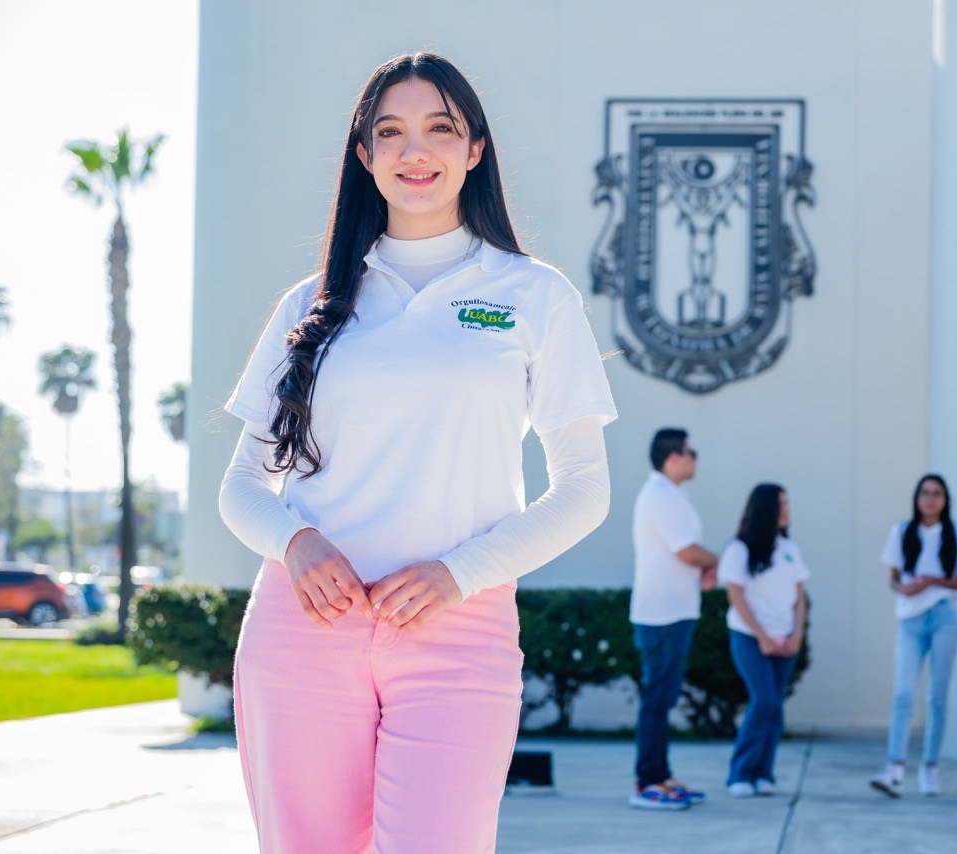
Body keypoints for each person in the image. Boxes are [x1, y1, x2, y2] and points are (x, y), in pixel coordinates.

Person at [218, 53, 617, 853]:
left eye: (441, 127)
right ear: (364, 157)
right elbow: (242, 486)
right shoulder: (312, 304)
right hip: (303, 633)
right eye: (390, 131)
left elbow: (583, 491)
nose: (415, 151)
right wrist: (296, 544)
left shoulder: (533, 295)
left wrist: (458, 573)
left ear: (475, 150)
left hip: (459, 635)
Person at [870, 474, 957, 798]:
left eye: (937, 494)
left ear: (946, 500)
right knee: (903, 693)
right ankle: (895, 767)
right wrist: (904, 588)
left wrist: (932, 581)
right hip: (909, 618)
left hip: (944, 616)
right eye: (925, 493)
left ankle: (930, 767)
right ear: (917, 498)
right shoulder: (901, 531)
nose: (930, 499)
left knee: (936, 694)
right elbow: (893, 576)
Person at [629, 428, 718, 810]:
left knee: (662, 700)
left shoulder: (672, 495)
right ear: (672, 458)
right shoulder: (660, 495)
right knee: (656, 700)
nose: (696, 457)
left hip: (675, 610)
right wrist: (717, 562)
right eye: (691, 451)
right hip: (662, 614)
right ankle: (647, 782)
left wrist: (705, 568)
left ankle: (661, 776)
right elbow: (686, 551)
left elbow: (685, 554)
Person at [718, 484, 809, 798]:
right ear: (764, 509)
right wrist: (762, 636)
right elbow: (736, 597)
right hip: (750, 639)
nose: (787, 510)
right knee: (764, 701)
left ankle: (763, 773)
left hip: (785, 641)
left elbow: (800, 597)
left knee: (775, 707)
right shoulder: (739, 550)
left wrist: (796, 635)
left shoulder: (788, 549)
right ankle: (740, 774)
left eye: (788, 503)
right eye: (780, 504)